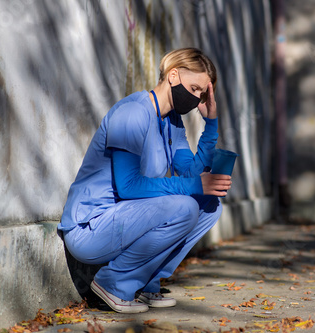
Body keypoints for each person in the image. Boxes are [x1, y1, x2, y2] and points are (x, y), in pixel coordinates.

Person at [58, 48, 232, 313]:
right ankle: (114, 283)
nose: (197, 99)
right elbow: (128, 187)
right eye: (195, 88)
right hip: (90, 228)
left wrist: (211, 125)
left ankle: (147, 281)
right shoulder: (133, 113)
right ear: (173, 76)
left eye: (202, 94)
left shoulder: (172, 122)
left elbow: (189, 172)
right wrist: (195, 185)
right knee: (185, 206)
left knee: (209, 205)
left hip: (123, 220)